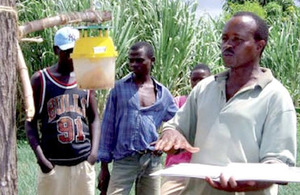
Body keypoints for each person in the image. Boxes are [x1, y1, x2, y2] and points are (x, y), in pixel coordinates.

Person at [155, 11, 297, 195]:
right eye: (224, 38)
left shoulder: (275, 96)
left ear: (259, 46)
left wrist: (245, 182)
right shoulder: (205, 88)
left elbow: (278, 165)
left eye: (237, 40)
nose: (227, 45)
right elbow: (176, 128)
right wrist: (171, 135)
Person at [25, 26, 101, 195]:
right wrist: (42, 160)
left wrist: (93, 154)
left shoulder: (86, 77)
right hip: (54, 165)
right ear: (56, 50)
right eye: (68, 51)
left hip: (83, 164)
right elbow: (30, 123)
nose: (72, 56)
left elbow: (94, 117)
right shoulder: (41, 80)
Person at [97, 41, 178, 195]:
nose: (134, 64)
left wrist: (165, 140)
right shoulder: (119, 89)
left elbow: (178, 120)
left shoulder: (163, 94)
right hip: (124, 160)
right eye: (131, 60)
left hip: (152, 161)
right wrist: (104, 169)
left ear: (152, 61)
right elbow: (107, 129)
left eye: (139, 60)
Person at [161, 64, 211, 195]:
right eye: (194, 79)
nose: (198, 83)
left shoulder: (215, 104)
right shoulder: (178, 102)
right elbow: (170, 127)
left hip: (203, 168)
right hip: (177, 167)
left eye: (202, 79)